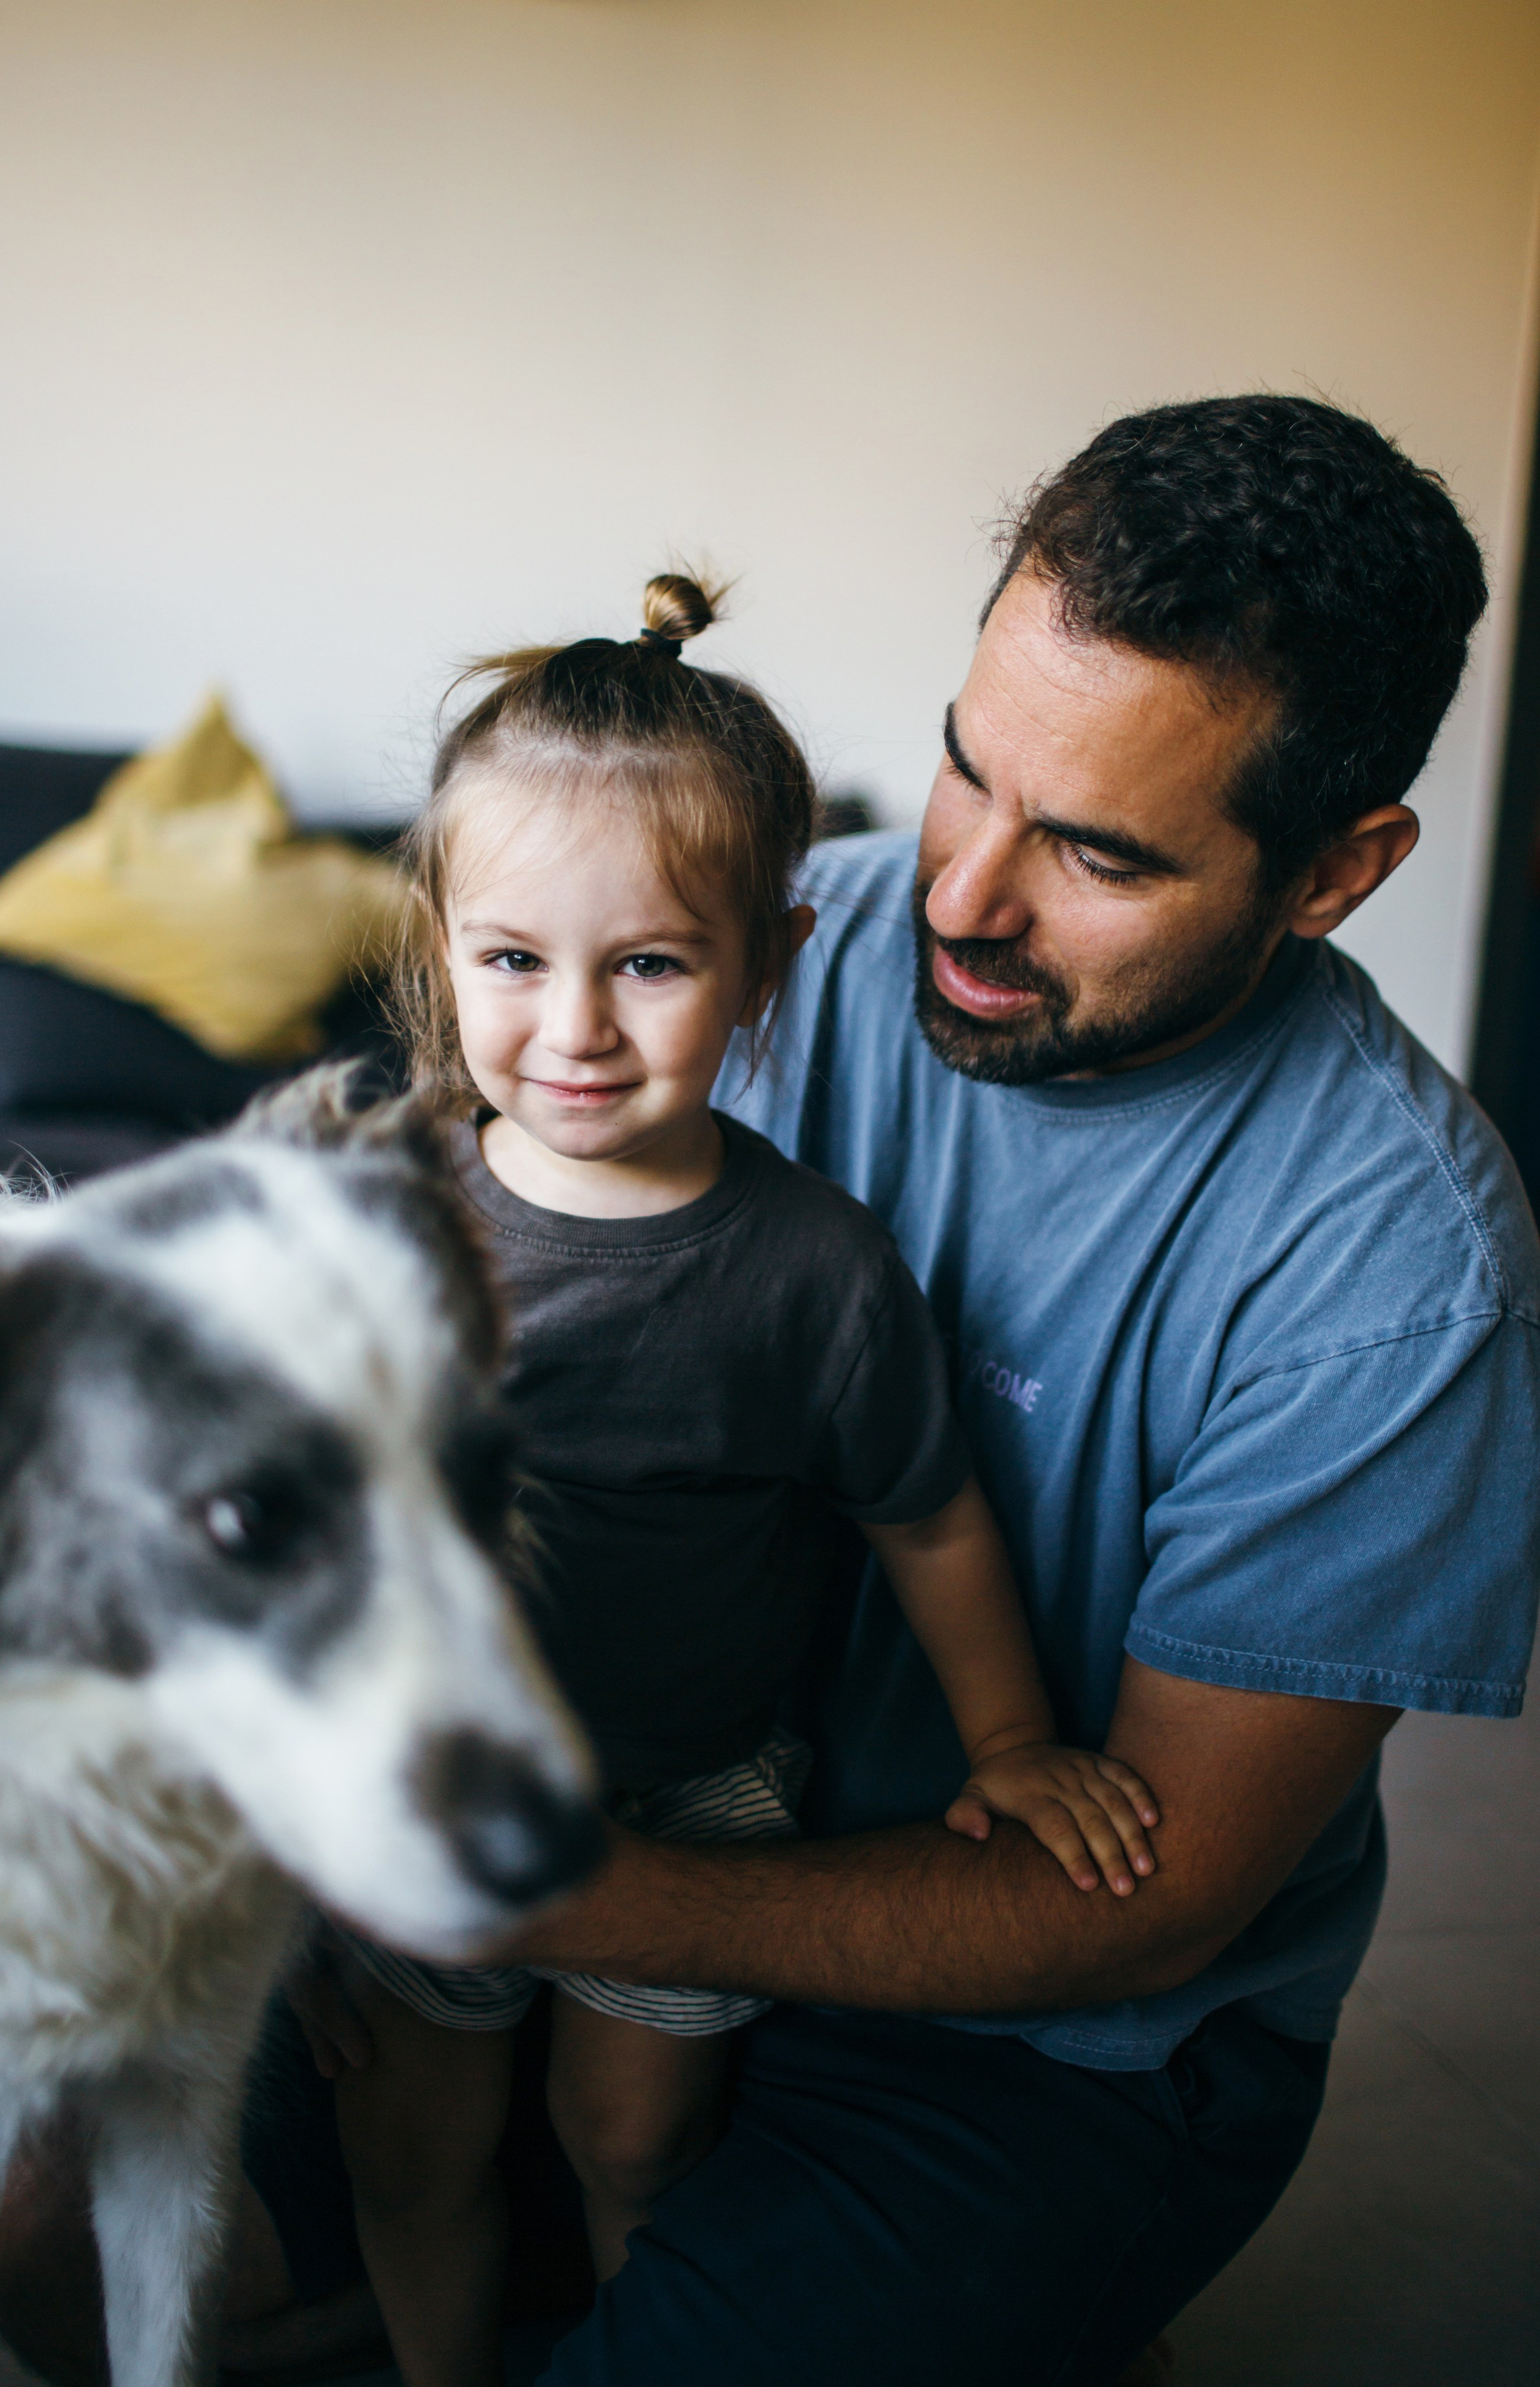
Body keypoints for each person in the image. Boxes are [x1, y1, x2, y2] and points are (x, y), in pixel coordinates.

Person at [0, 397, 1540, 2387]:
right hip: (590, 1811)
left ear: (1335, 872)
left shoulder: (1401, 1271)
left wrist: (525, 1898)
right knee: (46, 2227)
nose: (964, 897)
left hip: (1032, 2039)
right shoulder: (769, 934)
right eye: (974, 768)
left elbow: (1147, 1911)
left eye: (1097, 852)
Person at [318, 572, 1162, 2387]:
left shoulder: (817, 1270)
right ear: (446, 942)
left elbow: (925, 1516)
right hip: (426, 1775)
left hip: (702, 1791)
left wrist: (1015, 1745)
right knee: (415, 2148)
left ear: (766, 963)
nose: (575, 1031)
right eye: (515, 961)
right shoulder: (382, 1224)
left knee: (637, 2147)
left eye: (651, 964)